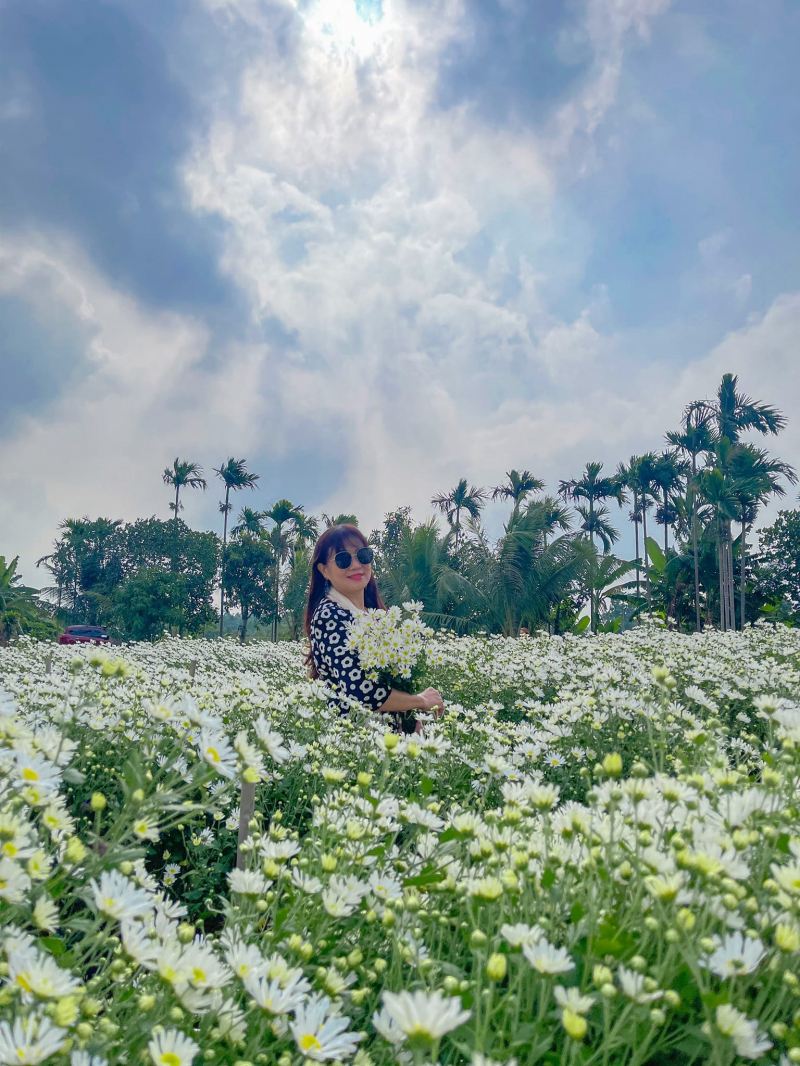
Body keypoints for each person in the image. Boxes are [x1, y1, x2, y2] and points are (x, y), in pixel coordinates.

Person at [304, 524, 445, 728]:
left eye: (363, 555)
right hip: (357, 743)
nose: (355, 565)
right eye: (343, 559)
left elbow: (391, 683)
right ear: (324, 570)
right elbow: (360, 692)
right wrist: (421, 701)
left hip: (389, 741)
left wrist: (410, 719)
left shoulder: (375, 617)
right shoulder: (329, 616)